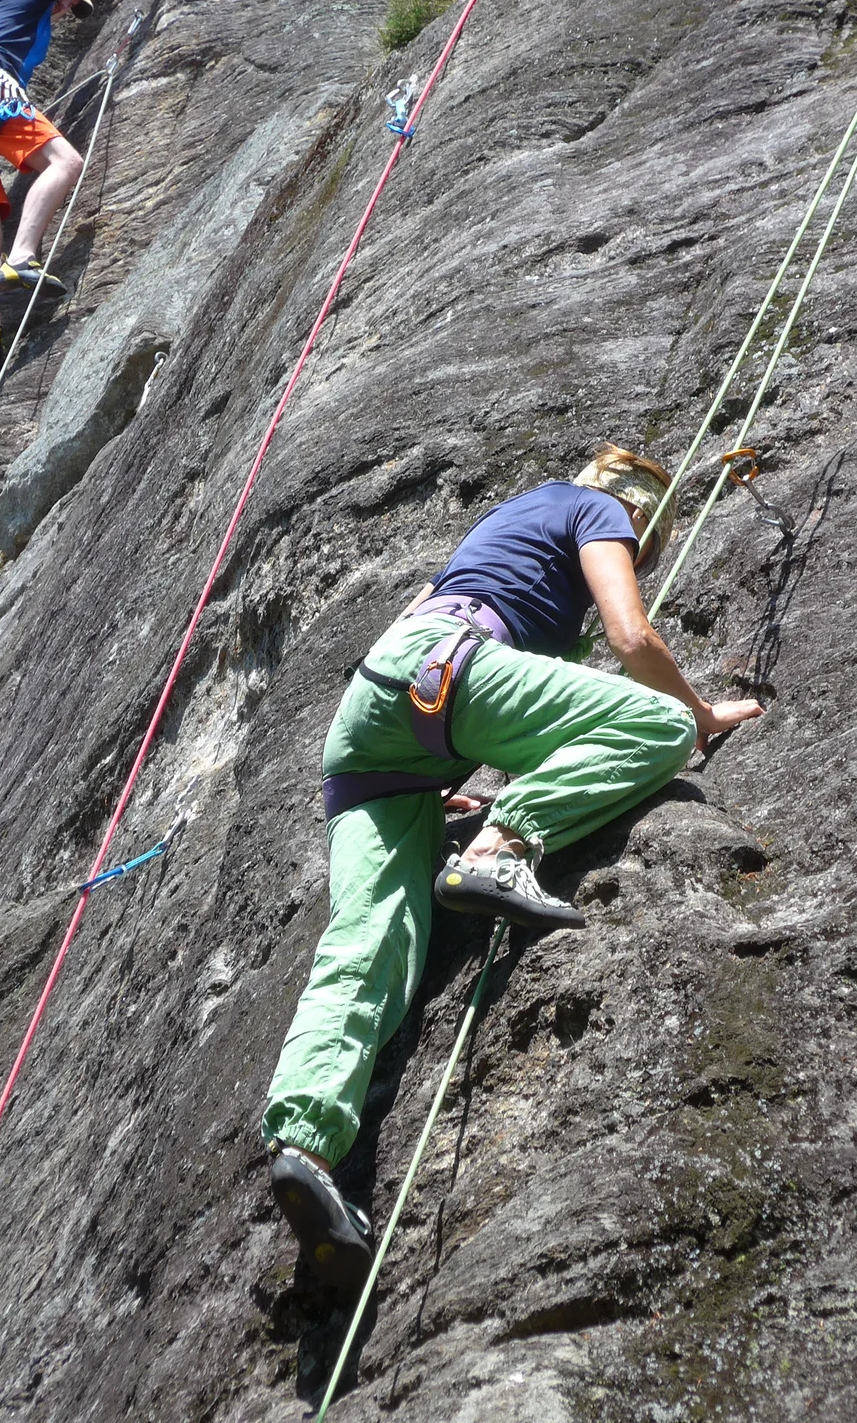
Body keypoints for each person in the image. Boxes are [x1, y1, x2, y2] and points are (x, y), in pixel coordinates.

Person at [262, 445, 766, 1289]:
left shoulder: (495, 534)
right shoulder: (594, 511)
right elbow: (630, 634)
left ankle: (304, 1145)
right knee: (657, 728)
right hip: (446, 675)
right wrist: (702, 711)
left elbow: (413, 635)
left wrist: (443, 775)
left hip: (373, 726)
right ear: (636, 512)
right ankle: (504, 849)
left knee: (369, 940)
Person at [0, 0, 131, 367]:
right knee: (66, 163)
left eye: (74, 6)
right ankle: (22, 257)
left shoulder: (8, 7)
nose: (69, 6)